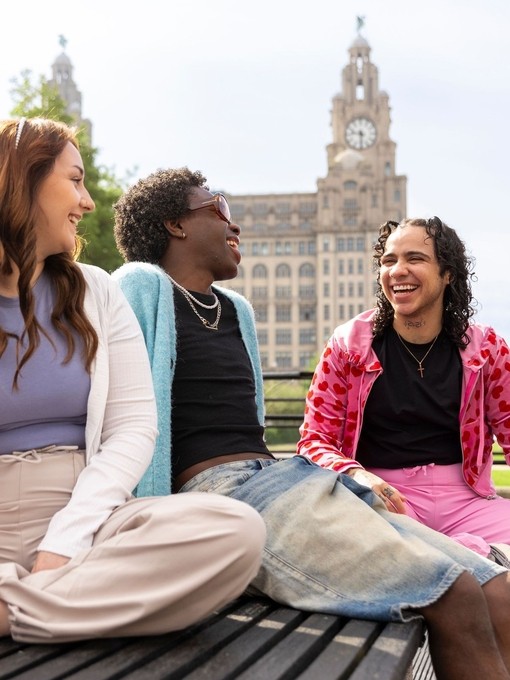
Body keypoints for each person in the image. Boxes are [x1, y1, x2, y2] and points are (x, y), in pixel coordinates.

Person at [113, 167, 510, 680]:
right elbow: (116, 408)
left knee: (492, 586)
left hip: (287, 478)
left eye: (415, 258)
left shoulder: (236, 311)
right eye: (220, 208)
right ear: (175, 225)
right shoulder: (140, 285)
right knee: (453, 591)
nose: (235, 226)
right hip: (224, 494)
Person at [0, 118, 266, 644]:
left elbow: (133, 427)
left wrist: (65, 540)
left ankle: (11, 612)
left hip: (92, 517)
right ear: (24, 182)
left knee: (236, 532)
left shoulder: (96, 291)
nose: (88, 201)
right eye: (74, 180)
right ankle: (50, 606)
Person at [297, 216, 510, 564]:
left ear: (448, 275)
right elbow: (314, 441)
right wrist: (355, 474)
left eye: (415, 258)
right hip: (385, 500)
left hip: (467, 501)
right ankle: (476, 559)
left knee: (410, 559)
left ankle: (455, 556)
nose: (398, 270)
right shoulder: (348, 345)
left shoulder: (486, 349)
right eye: (389, 260)